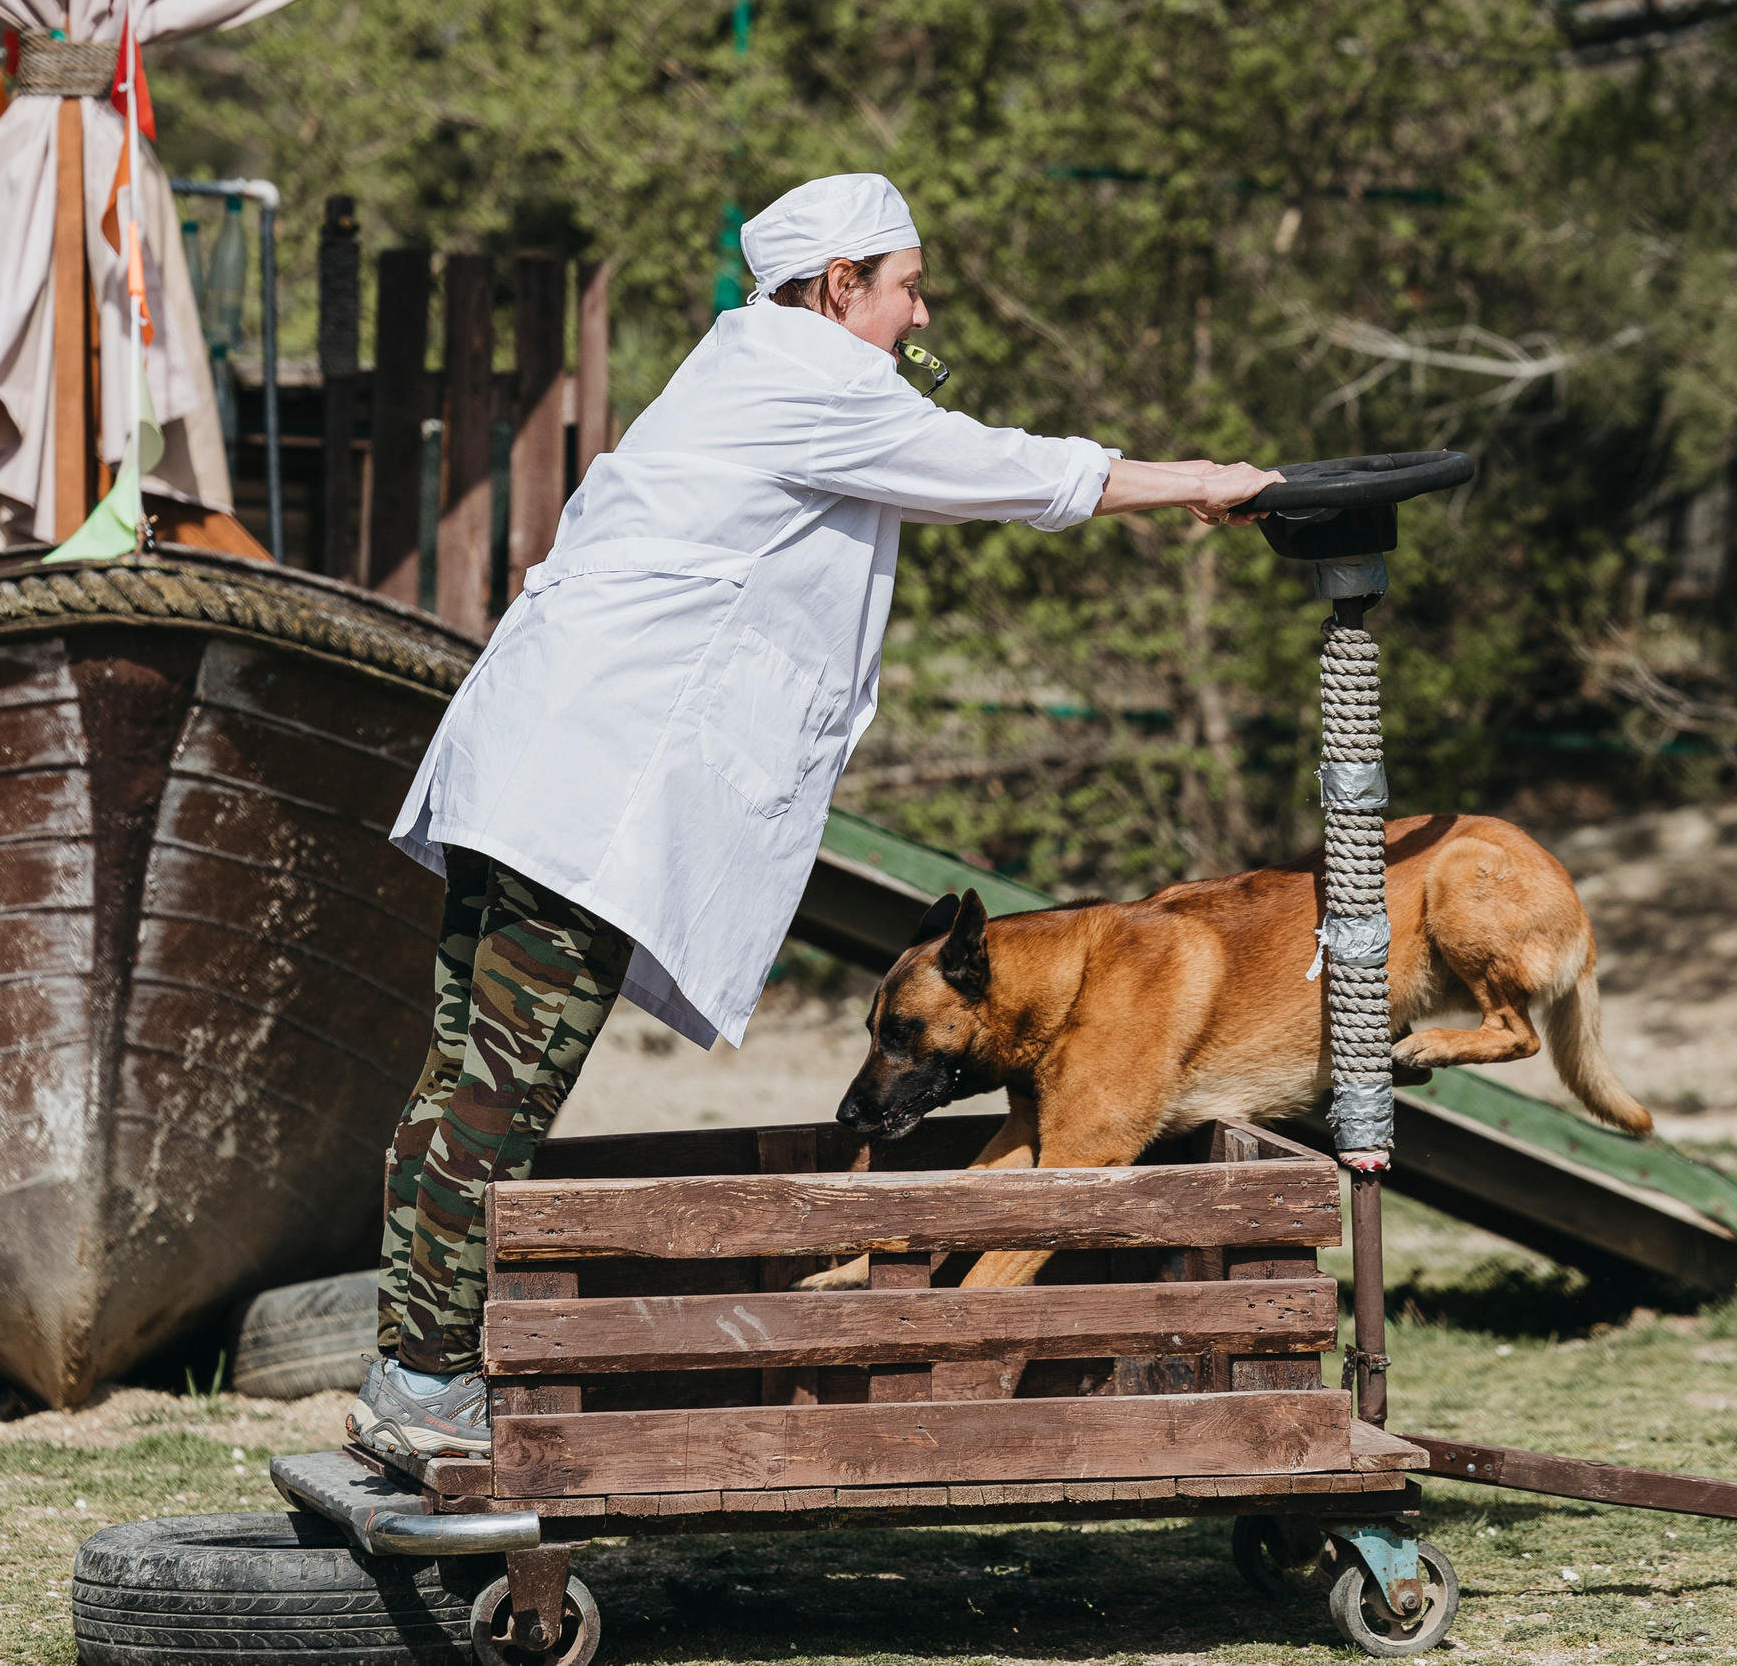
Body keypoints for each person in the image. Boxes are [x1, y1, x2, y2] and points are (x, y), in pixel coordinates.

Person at [349, 173, 1283, 1454]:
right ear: (839, 287)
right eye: (905, 286)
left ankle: (411, 1368)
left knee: (459, 1075)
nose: (920, 309)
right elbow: (999, 470)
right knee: (500, 1092)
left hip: (531, 768)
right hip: (587, 788)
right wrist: (1196, 481)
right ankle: (423, 1382)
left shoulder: (744, 369)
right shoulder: (808, 378)